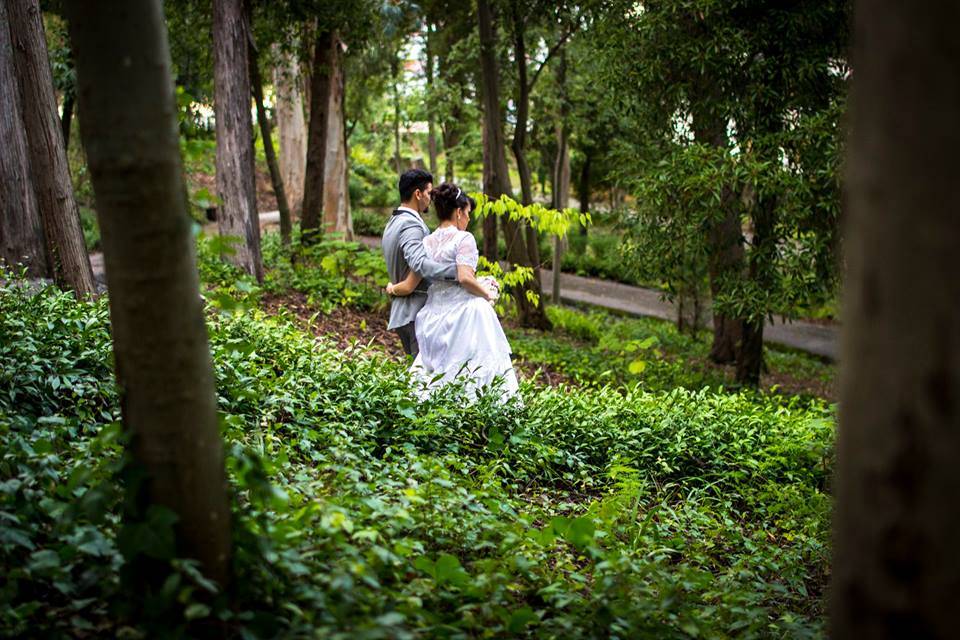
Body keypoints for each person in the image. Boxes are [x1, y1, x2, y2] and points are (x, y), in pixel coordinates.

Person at [386, 183, 519, 400]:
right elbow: (466, 278)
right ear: (458, 212)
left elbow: (409, 285)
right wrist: (487, 293)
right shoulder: (464, 238)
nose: (468, 219)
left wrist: (392, 287)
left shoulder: (426, 242)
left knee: (435, 376)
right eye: (467, 213)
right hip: (463, 316)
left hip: (432, 317)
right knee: (475, 371)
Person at [381, 169, 458, 357]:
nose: (431, 199)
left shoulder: (395, 221)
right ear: (418, 193)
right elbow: (419, 263)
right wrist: (456, 272)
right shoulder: (410, 225)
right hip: (415, 313)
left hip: (405, 312)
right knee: (425, 382)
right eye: (429, 193)